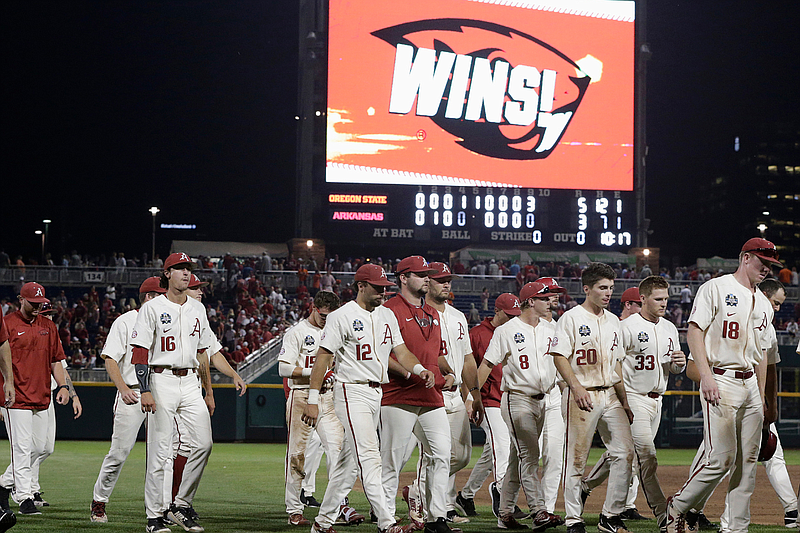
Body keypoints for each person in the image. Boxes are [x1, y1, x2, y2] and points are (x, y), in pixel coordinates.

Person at [301, 263, 433, 533]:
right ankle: (386, 523)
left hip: (376, 392)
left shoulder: (386, 315)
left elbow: (402, 351)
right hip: (352, 390)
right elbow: (323, 358)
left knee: (347, 467)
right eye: (377, 288)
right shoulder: (342, 315)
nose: (383, 293)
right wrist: (312, 399)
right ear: (360, 285)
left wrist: (419, 369)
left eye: (385, 288)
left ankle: (322, 523)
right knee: (370, 457)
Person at [665, 238, 780, 533]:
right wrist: (706, 376)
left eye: (770, 265)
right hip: (721, 378)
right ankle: (677, 506)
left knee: (748, 462)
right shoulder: (716, 287)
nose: (766, 269)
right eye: (762, 262)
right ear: (745, 258)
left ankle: (736, 527)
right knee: (720, 458)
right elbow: (694, 332)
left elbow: (762, 354)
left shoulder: (766, 304)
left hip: (750, 385)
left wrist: (763, 396)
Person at [583, 276, 686, 530]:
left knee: (623, 455)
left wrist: (679, 364)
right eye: (658, 298)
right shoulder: (627, 326)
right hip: (633, 399)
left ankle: (584, 487)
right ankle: (664, 515)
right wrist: (622, 401)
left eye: (666, 298)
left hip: (656, 401)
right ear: (642, 299)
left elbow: (672, 368)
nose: (664, 303)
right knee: (646, 457)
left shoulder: (669, 328)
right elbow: (613, 364)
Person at [130, 252, 215, 533]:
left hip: (190, 380)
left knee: (203, 444)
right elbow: (140, 352)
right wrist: (144, 390)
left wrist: (206, 388)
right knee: (161, 451)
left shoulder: (197, 309)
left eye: (188, 269)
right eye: (179, 269)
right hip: (161, 379)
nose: (186, 273)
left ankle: (180, 505)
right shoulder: (152, 308)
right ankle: (154, 516)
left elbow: (203, 352)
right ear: (167, 274)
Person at [550, 262, 635, 533]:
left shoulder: (613, 321)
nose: (608, 293)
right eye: (602, 287)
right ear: (587, 289)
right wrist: (575, 387)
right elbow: (559, 356)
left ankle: (610, 515)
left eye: (611, 287)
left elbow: (618, 364)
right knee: (577, 459)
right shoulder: (571, 318)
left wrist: (624, 401)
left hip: (609, 392)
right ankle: (573, 519)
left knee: (625, 453)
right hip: (581, 393)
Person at [477, 281, 564, 530]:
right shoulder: (507, 330)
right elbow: (486, 364)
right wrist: (473, 397)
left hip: (544, 400)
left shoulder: (550, 329)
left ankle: (505, 513)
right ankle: (539, 511)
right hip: (518, 399)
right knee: (530, 456)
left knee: (517, 459)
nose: (549, 301)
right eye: (544, 297)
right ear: (529, 301)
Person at [403, 262, 483, 525]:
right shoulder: (420, 315)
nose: (446, 284)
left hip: (457, 395)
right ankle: (433, 510)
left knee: (460, 456)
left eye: (449, 279)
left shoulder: (459, 317)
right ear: (427, 282)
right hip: (429, 393)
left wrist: (474, 394)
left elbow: (469, 360)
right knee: (434, 454)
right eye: (440, 279)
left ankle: (418, 490)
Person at [380, 256, 455, 533]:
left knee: (442, 454)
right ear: (403, 277)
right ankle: (385, 520)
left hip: (431, 394)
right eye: (420, 274)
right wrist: (413, 373)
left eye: (428, 274)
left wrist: (449, 374)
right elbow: (384, 356)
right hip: (398, 393)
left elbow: (437, 354)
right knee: (392, 461)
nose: (427, 278)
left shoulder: (433, 314)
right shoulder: (388, 310)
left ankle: (437, 517)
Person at [165, 273, 247, 524]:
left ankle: (179, 502)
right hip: (167, 382)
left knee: (197, 445)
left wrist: (227, 378)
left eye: (200, 288)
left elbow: (209, 354)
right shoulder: (166, 311)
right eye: (195, 287)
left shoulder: (198, 314)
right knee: (178, 447)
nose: (200, 291)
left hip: (191, 385)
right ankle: (170, 505)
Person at [279, 291, 361, 526]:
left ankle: (340, 506)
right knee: (297, 454)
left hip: (329, 396)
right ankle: (294, 510)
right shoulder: (297, 332)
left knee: (339, 452)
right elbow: (284, 369)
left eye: (330, 315)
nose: (325, 319)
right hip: (302, 394)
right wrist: (314, 373)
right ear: (313, 308)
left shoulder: (337, 329)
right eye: (322, 314)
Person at [90, 277, 165, 522]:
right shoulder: (125, 321)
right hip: (132, 391)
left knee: (163, 455)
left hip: (161, 393)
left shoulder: (167, 321)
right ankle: (99, 501)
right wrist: (122, 388)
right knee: (119, 452)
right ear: (149, 297)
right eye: (161, 295)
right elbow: (110, 358)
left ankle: (161, 508)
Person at [0, 283, 70, 516]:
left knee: (41, 447)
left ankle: (3, 484)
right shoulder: (7, 324)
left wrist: (62, 386)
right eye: (33, 303)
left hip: (41, 395)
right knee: (21, 448)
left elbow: (56, 360)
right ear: (21, 299)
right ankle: (24, 498)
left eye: (41, 303)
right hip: (15, 396)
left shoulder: (48, 326)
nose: (38, 307)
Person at [455, 293, 521, 520]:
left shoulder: (516, 332)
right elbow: (466, 371)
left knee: (492, 451)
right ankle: (503, 493)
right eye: (509, 314)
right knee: (502, 446)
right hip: (485, 401)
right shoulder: (476, 334)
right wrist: (468, 400)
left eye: (516, 315)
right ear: (497, 311)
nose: (513, 318)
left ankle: (465, 496)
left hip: (507, 400)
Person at [535, 277, 567, 515]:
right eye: (549, 293)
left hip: (554, 395)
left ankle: (546, 509)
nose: (554, 297)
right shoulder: (519, 326)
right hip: (525, 398)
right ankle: (509, 505)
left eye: (555, 294)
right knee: (523, 458)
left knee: (554, 457)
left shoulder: (560, 327)